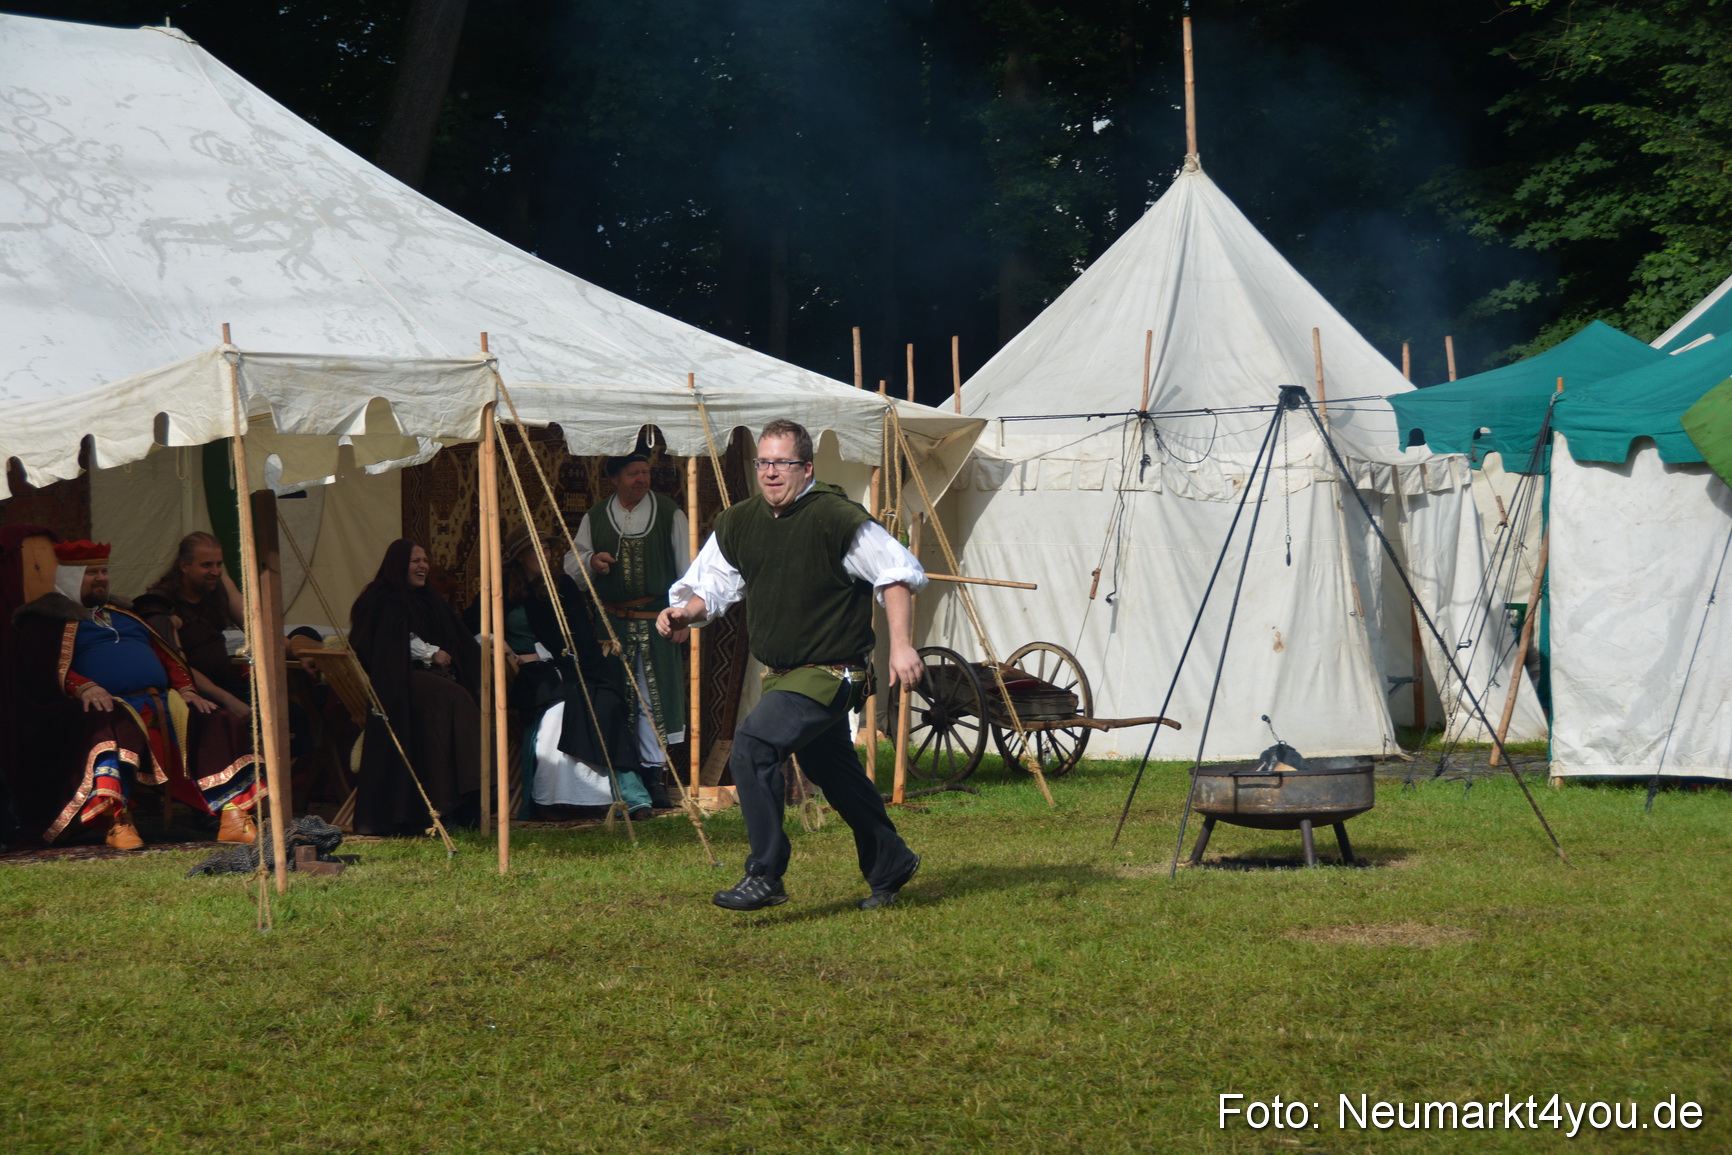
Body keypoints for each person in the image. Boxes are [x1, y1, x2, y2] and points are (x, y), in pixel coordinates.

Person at [659, 419, 924, 911]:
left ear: (806, 468)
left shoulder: (836, 517)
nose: (770, 473)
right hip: (784, 676)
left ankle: (765, 874)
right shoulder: (740, 522)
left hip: (833, 672)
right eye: (763, 462)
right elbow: (712, 588)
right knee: (835, 772)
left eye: (782, 463)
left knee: (754, 744)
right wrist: (683, 614)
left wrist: (902, 646)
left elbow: (895, 574)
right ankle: (892, 861)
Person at [11, 540, 263, 849]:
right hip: (105, 704)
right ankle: (117, 820)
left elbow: (166, 656)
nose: (101, 578)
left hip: (161, 700)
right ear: (70, 577)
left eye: (104, 571)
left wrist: (186, 689)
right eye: (91, 573)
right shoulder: (47, 622)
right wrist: (86, 686)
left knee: (217, 719)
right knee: (108, 726)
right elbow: (43, 668)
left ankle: (233, 816)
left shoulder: (124, 615)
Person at [500, 530, 652, 818]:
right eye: (536, 549)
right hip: (533, 675)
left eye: (547, 548)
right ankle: (556, 799)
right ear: (520, 556)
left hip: (572, 664)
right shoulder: (501, 589)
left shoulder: (562, 585)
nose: (545, 554)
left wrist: (544, 653)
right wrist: (500, 645)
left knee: (605, 704)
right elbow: (473, 627)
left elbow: (580, 634)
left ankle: (625, 797)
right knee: (557, 712)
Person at [565, 450, 685, 809]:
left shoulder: (669, 512)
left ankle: (653, 776)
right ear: (614, 479)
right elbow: (571, 563)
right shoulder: (596, 516)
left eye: (645, 472)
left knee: (651, 699)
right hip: (611, 624)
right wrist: (591, 561)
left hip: (656, 621)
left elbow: (688, 569)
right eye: (633, 473)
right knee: (616, 698)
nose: (641, 479)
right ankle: (621, 775)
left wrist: (685, 617)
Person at [348, 539, 481, 835]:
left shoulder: (429, 599)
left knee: (460, 698)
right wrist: (429, 654)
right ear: (398, 564)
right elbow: (382, 644)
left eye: (425, 561)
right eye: (415, 561)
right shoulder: (380, 598)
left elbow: (457, 637)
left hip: (431, 679)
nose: (423, 566)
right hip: (397, 682)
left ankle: (464, 801)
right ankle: (442, 804)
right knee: (452, 699)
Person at [133, 531, 250, 717]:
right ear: (184, 566)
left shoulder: (218, 585)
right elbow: (177, 666)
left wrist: (293, 649)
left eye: (219, 564)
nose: (216, 572)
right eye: (206, 565)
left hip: (224, 684)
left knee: (290, 712)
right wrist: (228, 699)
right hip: (189, 692)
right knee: (227, 720)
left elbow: (256, 627)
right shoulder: (160, 603)